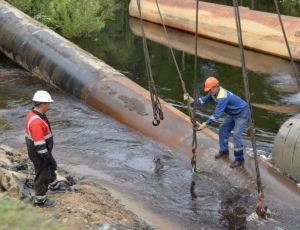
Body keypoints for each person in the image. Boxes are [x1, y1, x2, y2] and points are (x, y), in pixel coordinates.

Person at [184, 76, 249, 168]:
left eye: (210, 89)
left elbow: (217, 115)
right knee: (222, 129)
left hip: (242, 113)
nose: (209, 91)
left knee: (236, 135)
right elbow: (202, 101)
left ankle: (240, 159)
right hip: (233, 114)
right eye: (209, 90)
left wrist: (206, 124)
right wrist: (191, 100)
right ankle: (224, 150)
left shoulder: (223, 97)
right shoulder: (213, 93)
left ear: (216, 86)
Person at [25, 90, 66, 207]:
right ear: (42, 104)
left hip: (42, 150)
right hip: (39, 152)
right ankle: (40, 199)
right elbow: (39, 144)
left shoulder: (34, 113)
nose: (49, 106)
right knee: (43, 174)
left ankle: (55, 186)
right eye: (48, 103)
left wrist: (48, 157)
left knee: (51, 166)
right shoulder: (36, 122)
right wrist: (46, 157)